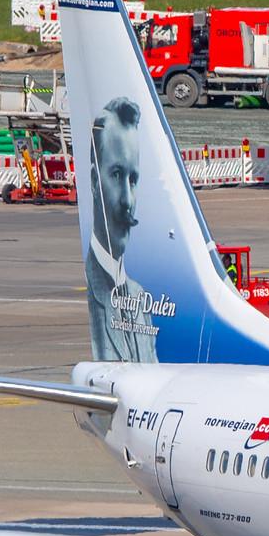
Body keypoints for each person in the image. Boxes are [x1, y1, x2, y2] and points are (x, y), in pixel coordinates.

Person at [84, 96, 159, 363]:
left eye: (133, 179)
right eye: (116, 175)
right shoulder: (91, 293)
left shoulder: (140, 299)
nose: (128, 200)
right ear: (94, 180)